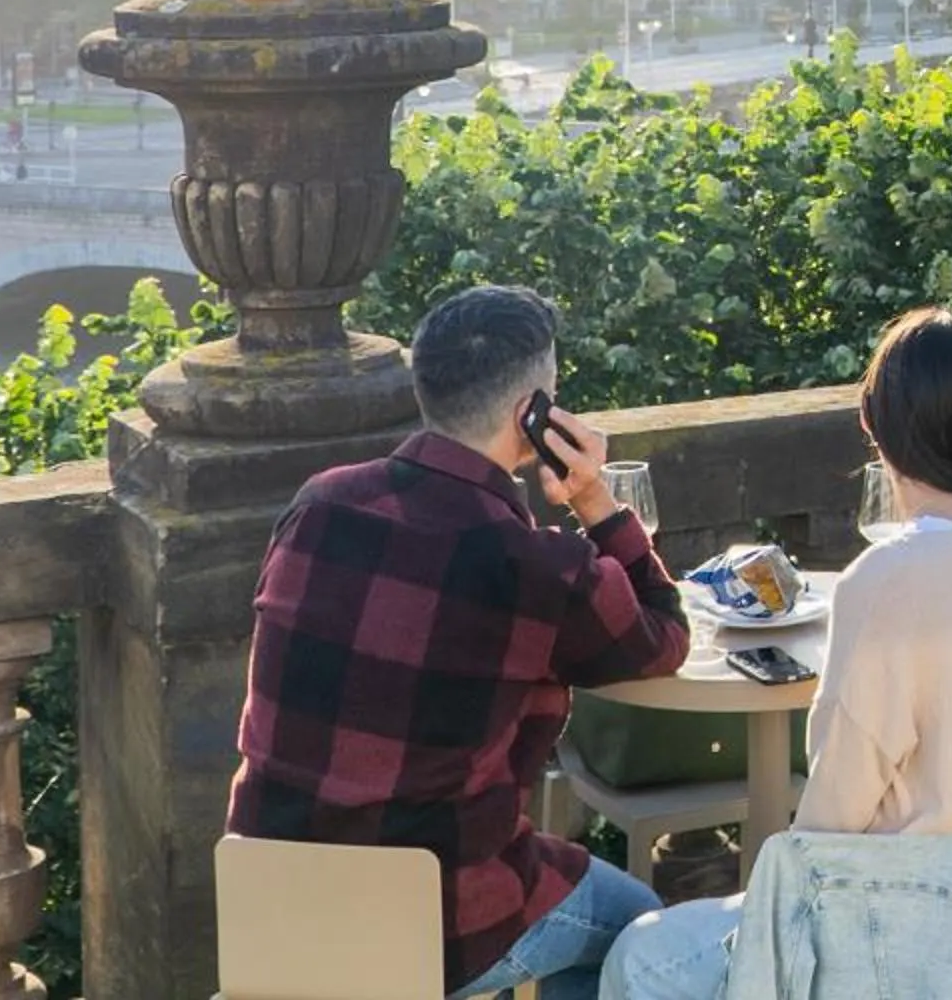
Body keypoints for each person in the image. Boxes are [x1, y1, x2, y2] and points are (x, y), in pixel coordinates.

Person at [228, 284, 689, 1000]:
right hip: (438, 921)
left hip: (277, 906)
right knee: (645, 935)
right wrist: (595, 499)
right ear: (529, 417)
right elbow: (661, 639)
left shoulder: (317, 504)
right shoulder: (535, 565)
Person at [604, 307, 952, 998]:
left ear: (873, 428)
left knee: (639, 957)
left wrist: (769, 907)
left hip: (916, 913)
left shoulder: (884, 581)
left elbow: (834, 815)